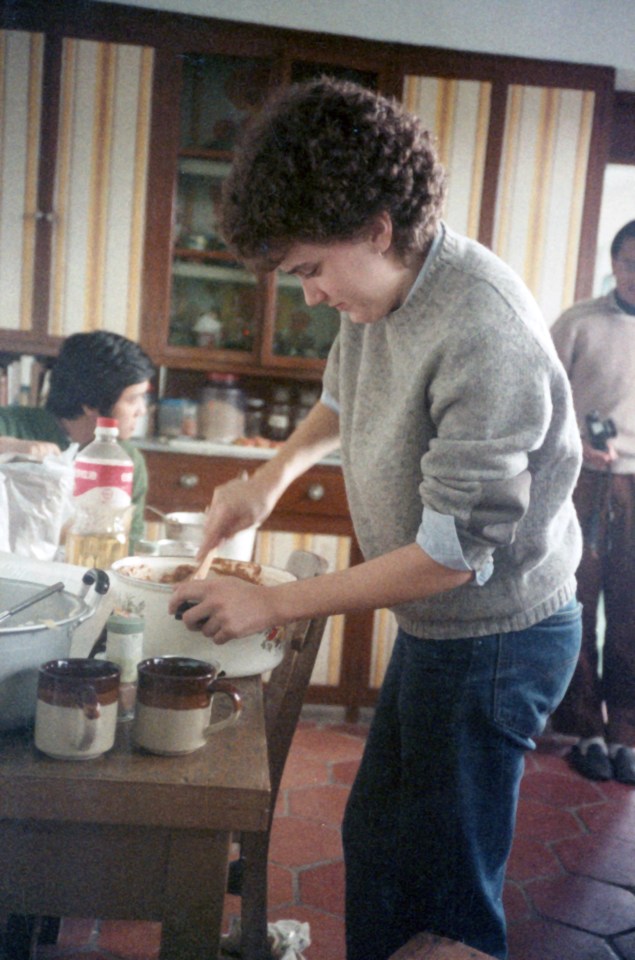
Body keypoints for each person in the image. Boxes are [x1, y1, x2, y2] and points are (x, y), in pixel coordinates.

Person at [168, 78, 583, 960]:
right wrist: (269, 478)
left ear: (378, 229)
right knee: (382, 844)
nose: (310, 296)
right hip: (443, 628)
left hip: (496, 637)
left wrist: (273, 604)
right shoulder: (381, 292)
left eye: (310, 269)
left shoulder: (484, 330)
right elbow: (339, 397)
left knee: (442, 896)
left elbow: (449, 557)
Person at [549, 220, 635, 784]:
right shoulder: (577, 323)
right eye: (631, 262)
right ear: (614, 262)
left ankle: (627, 731)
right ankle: (583, 728)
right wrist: (576, 444)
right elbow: (540, 400)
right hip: (581, 480)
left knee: (632, 608)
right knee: (575, 600)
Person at [0, 330, 154, 548]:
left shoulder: (126, 461)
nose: (142, 410)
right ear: (91, 404)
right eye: (132, 400)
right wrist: (8, 447)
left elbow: (130, 546)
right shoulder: (10, 425)